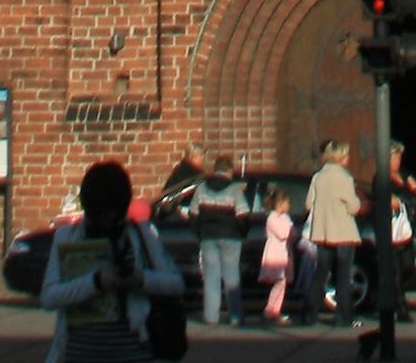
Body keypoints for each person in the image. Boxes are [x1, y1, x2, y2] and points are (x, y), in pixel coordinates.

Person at [43, 160, 188, 363]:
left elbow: (175, 284)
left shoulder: (140, 234)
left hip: (132, 348)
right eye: (99, 213)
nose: (106, 220)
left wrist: (139, 280)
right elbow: (49, 296)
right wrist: (97, 282)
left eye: (112, 212)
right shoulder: (67, 237)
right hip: (80, 349)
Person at [305, 140, 362, 323]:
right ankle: (343, 317)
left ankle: (308, 315)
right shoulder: (345, 178)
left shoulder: (317, 177)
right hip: (343, 232)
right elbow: (354, 207)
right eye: (346, 155)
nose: (348, 158)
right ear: (339, 158)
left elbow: (308, 204)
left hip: (322, 233)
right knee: (343, 276)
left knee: (320, 274)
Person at [194, 154, 249, 327]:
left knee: (211, 277)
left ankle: (211, 317)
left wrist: (199, 232)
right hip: (231, 237)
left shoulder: (202, 188)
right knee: (232, 276)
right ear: (229, 170)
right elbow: (243, 215)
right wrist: (242, 232)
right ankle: (235, 316)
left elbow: (193, 214)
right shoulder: (234, 190)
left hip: (208, 236)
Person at [260, 200, 295, 323]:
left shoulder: (285, 217)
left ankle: (274, 310)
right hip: (276, 252)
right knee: (279, 281)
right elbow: (283, 234)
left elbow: (292, 234)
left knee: (282, 282)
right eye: (286, 202)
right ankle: (270, 310)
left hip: (284, 251)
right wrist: (289, 227)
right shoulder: (272, 218)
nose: (289, 205)